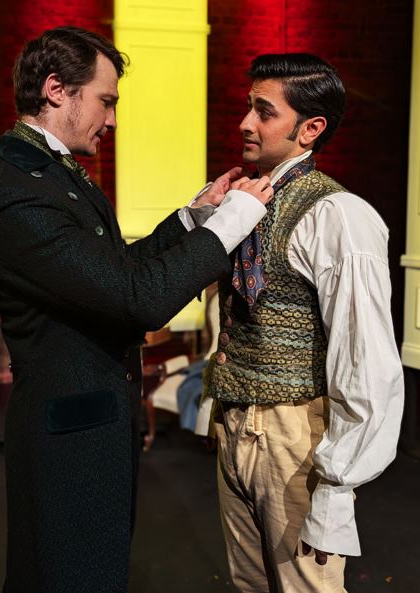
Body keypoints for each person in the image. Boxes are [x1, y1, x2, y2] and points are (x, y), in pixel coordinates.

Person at [0, 27, 274, 593]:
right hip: (68, 443)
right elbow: (139, 298)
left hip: (90, 426)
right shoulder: (19, 194)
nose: (111, 120)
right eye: (105, 101)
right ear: (56, 90)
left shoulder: (49, 175)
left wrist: (192, 220)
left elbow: (111, 272)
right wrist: (232, 224)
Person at [204, 53, 404, 593]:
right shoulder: (247, 200)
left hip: (294, 439)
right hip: (234, 423)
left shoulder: (338, 215)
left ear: (310, 129)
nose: (245, 123)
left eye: (264, 112)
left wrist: (337, 489)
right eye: (249, 107)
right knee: (249, 585)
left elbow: (365, 357)